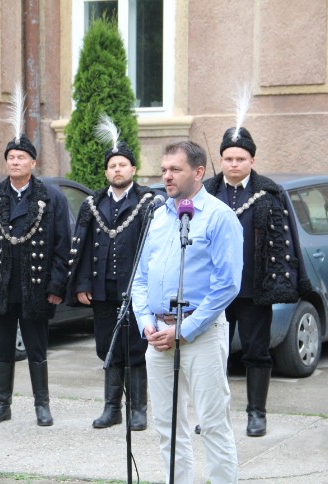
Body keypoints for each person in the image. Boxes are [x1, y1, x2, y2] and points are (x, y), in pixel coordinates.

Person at [131, 141, 243, 483]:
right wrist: (146, 323)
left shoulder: (220, 216)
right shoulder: (157, 216)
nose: (166, 176)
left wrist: (184, 330)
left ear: (198, 172)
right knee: (167, 427)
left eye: (175, 169)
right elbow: (140, 278)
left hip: (201, 334)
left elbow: (227, 284)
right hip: (157, 336)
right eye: (164, 169)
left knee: (212, 425)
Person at [204, 127, 311, 437]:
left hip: (254, 290)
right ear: (221, 160)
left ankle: (256, 414)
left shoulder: (270, 192)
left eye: (240, 158)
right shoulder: (207, 193)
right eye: (228, 158)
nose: (234, 164)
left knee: (256, 352)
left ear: (252, 160)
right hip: (215, 293)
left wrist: (294, 281)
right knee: (214, 355)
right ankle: (213, 414)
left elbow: (288, 238)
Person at [0, 133, 71, 427]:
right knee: (2, 348)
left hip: (36, 286)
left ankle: (42, 405)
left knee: (36, 348)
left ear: (33, 163)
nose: (15, 162)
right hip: (1, 284)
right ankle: (2, 405)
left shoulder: (52, 197)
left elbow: (63, 246)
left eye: (21, 157)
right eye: (11, 157)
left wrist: (57, 285)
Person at [66, 137, 156, 431]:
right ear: (106, 172)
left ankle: (138, 410)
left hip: (137, 290)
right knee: (108, 347)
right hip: (102, 289)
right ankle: (112, 409)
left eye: (122, 164)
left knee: (136, 348)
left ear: (133, 169)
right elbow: (81, 246)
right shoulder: (93, 204)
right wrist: (82, 284)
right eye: (112, 165)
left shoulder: (148, 202)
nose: (117, 169)